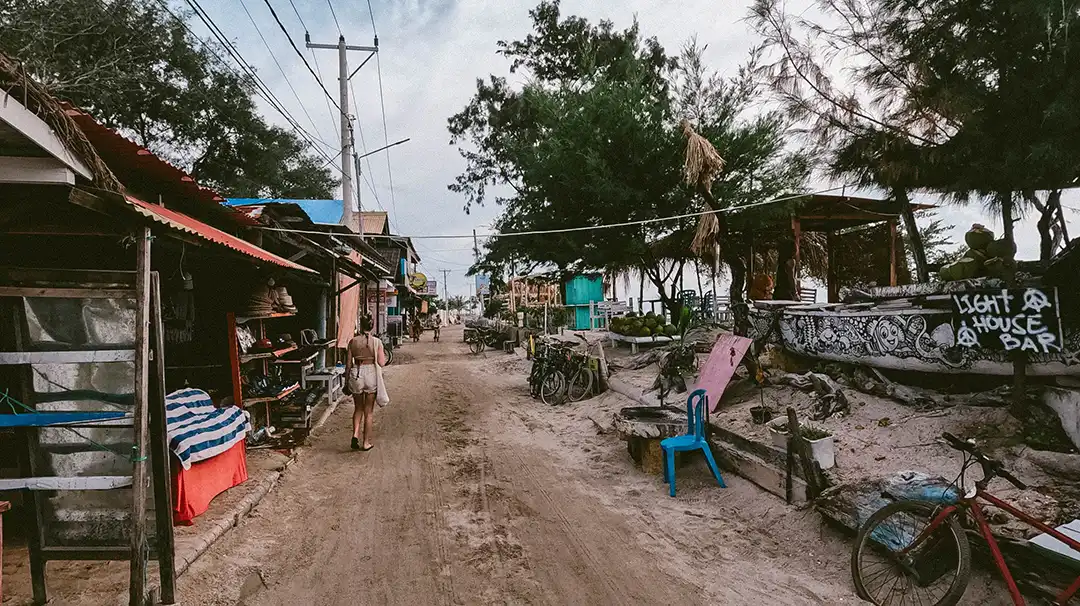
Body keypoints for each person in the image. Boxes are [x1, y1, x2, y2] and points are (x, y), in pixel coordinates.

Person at [345, 315, 386, 451]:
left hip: (356, 372)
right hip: (371, 374)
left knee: (358, 408)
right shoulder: (377, 342)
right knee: (369, 411)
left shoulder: (353, 342)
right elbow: (381, 362)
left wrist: (346, 382)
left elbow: (348, 365)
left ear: (360, 326)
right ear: (372, 326)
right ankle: (366, 442)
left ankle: (355, 435)